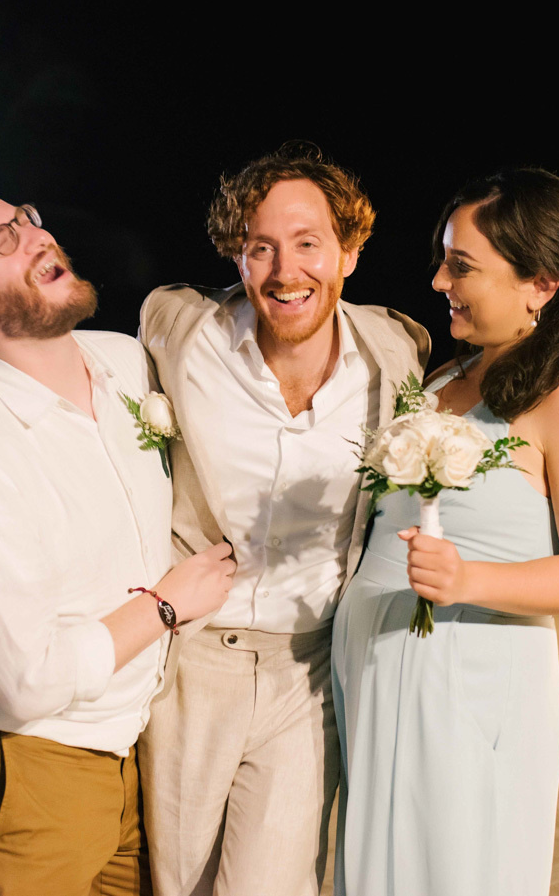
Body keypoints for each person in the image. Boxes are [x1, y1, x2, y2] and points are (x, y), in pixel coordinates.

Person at [0, 176, 236, 896]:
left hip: (139, 742)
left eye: (24, 218)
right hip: (32, 761)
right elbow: (24, 680)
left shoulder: (124, 361)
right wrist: (166, 605)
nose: (37, 235)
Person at [331, 167, 559, 896]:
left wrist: (469, 580)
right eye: (444, 258)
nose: (439, 280)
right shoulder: (446, 376)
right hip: (378, 676)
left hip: (470, 685)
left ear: (540, 281)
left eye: (462, 265)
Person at [137, 143, 430, 896]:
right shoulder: (178, 331)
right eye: (260, 247)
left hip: (311, 671)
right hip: (193, 667)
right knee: (178, 883)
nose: (284, 270)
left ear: (350, 253)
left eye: (308, 243)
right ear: (237, 257)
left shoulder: (395, 353)